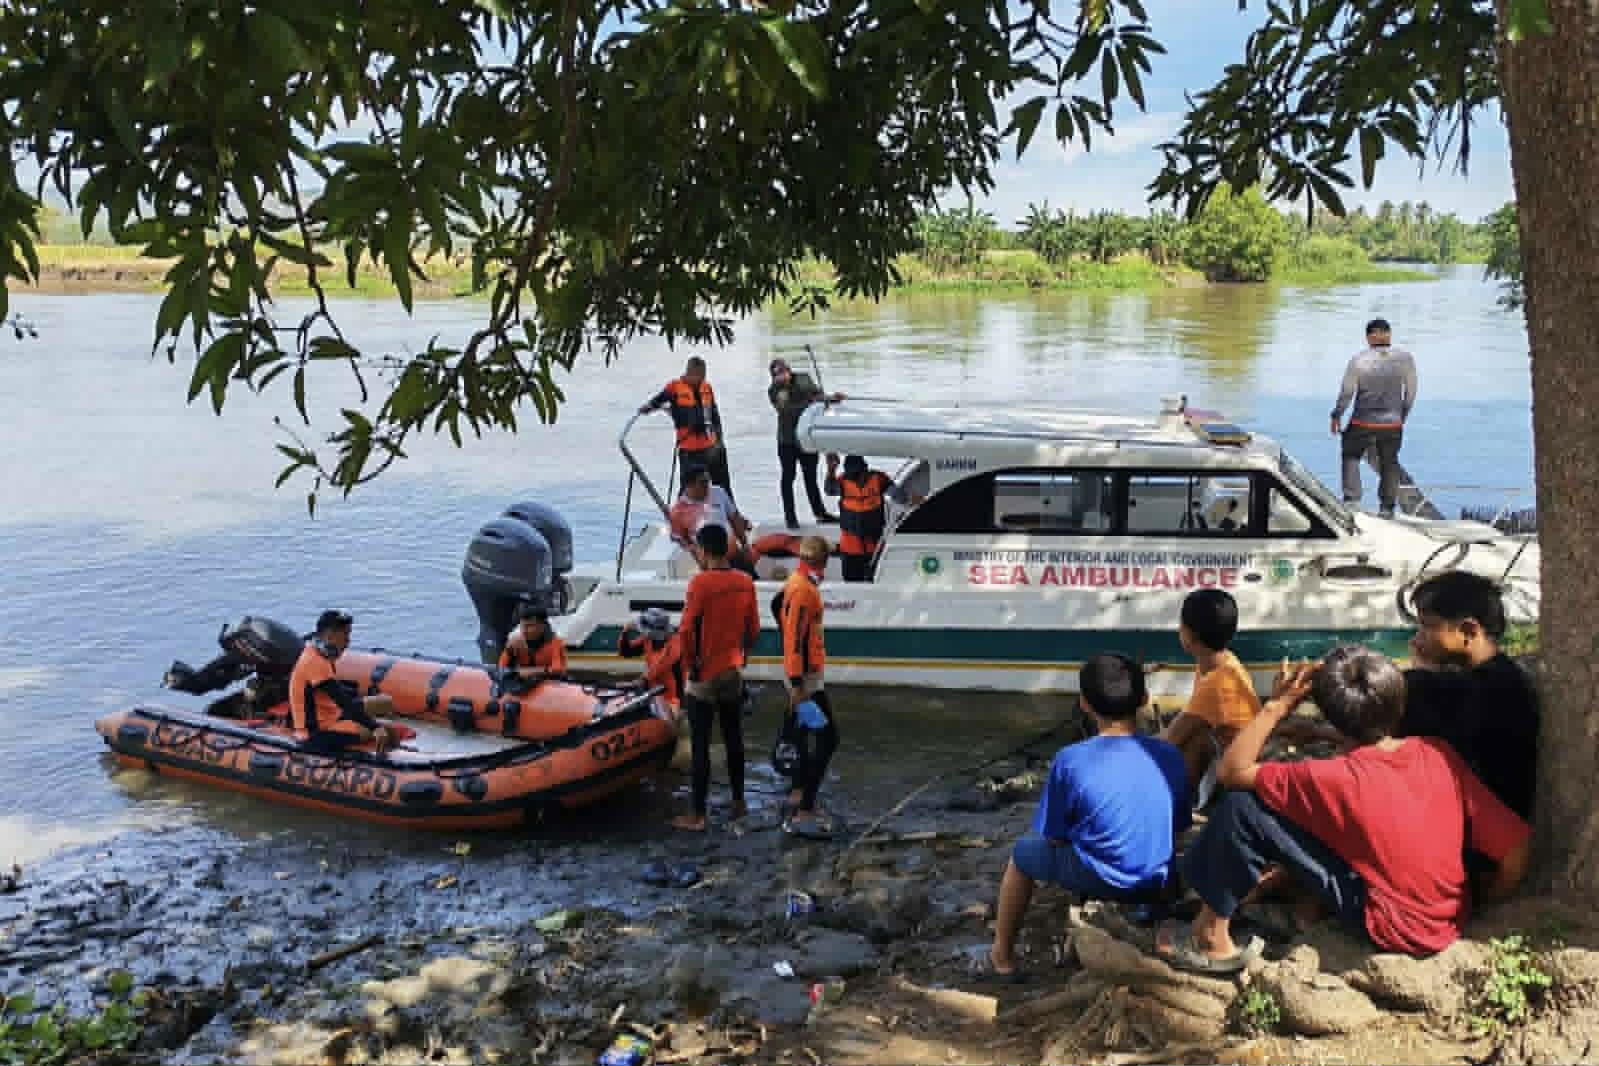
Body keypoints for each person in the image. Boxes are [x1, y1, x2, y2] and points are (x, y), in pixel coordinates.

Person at [1160, 647, 1531, 976]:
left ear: (1333, 715)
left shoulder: (1329, 777)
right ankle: (1302, 906)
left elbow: (1232, 771)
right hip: (1448, 917)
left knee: (1244, 808)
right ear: (1398, 704)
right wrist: (1484, 902)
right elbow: (1516, 851)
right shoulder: (1436, 753)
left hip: (1391, 928)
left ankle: (1210, 936)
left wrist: (1276, 705)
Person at [986, 654, 1189, 979]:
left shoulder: (1069, 759)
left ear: (1084, 704)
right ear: (1144, 700)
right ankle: (1153, 916)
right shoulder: (1170, 754)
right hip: (1157, 880)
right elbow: (1177, 827)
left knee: (1021, 856)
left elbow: (1053, 836)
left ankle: (1001, 958)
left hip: (1103, 880)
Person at [1402, 570, 1539, 820]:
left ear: (1468, 630)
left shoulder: (1480, 690)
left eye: (1428, 626)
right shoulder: (1505, 676)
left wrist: (1423, 676)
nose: (1417, 637)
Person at [673, 524, 760, 831]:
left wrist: (689, 664)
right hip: (732, 669)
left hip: (704, 672)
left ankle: (697, 814)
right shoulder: (745, 581)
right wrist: (743, 655)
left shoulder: (700, 584)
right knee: (733, 737)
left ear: (705, 550)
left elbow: (685, 630)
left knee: (700, 744)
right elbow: (754, 628)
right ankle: (739, 802)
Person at [1158, 589, 1262, 807]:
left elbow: (1170, 741)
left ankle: (1178, 815)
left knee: (1185, 746)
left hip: (1237, 766)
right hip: (1230, 752)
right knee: (1193, 736)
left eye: (1181, 624)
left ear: (1191, 636)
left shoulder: (1216, 683)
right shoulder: (1221, 661)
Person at [779, 536, 840, 836]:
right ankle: (805, 806)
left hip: (803, 675)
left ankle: (798, 790)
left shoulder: (797, 583)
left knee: (801, 736)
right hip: (806, 679)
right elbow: (794, 638)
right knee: (829, 740)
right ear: (824, 560)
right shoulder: (803, 590)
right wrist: (797, 684)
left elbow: (783, 613)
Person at [1330, 317, 1418, 518]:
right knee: (1390, 462)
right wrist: (1402, 416)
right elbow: (1411, 392)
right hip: (1392, 422)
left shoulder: (1358, 360)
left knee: (1350, 455)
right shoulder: (1405, 358)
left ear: (1369, 338)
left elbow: (1347, 392)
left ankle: (1352, 501)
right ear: (1389, 334)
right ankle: (1387, 508)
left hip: (1362, 421)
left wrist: (1336, 415)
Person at [288, 610, 396, 753]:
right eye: (345, 634)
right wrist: (374, 726)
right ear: (329, 635)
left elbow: (337, 695)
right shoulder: (314, 662)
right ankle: (393, 762)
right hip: (316, 731)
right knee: (388, 729)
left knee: (385, 702)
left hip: (332, 712)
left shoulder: (319, 650)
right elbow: (345, 704)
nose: (348, 640)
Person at [767, 358, 841, 529]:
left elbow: (817, 396)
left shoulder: (804, 379)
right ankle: (790, 517)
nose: (781, 377)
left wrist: (830, 398)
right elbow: (786, 410)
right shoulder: (774, 390)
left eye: (783, 372)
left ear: (789, 369)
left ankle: (820, 513)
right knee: (788, 477)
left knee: (810, 477)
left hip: (807, 438)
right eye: (776, 375)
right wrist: (812, 402)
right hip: (787, 441)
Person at [641, 356, 731, 494]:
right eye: (699, 375)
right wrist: (648, 407)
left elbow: (715, 417)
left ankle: (728, 514)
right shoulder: (674, 387)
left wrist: (719, 442)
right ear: (690, 373)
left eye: (704, 375)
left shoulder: (707, 387)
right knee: (689, 490)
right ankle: (682, 515)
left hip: (712, 448)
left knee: (723, 488)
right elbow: (658, 400)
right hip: (690, 451)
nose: (702, 379)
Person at [824, 453, 892, 582]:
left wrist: (913, 500)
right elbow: (829, 490)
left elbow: (899, 495)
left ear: (865, 469)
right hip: (851, 547)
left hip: (874, 546)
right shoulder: (843, 482)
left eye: (858, 474)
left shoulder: (878, 479)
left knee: (874, 581)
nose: (857, 479)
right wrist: (831, 469)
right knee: (852, 582)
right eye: (853, 475)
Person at [669, 464, 751, 565]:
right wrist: (696, 553)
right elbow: (680, 540)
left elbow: (734, 518)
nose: (707, 485)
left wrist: (745, 544)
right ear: (689, 485)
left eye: (708, 481)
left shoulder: (718, 492)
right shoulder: (678, 512)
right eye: (703, 482)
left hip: (734, 554)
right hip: (709, 562)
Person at [618, 607, 683, 708]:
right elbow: (626, 652)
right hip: (653, 693)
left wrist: (640, 681)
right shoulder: (648, 639)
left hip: (674, 698)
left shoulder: (675, 643)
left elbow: (659, 665)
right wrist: (625, 632)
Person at [499, 601, 568, 680]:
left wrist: (530, 672)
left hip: (549, 686)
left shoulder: (555, 643)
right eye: (522, 626)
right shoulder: (515, 642)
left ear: (542, 626)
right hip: (522, 687)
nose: (524, 630)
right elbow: (501, 669)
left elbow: (557, 670)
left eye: (529, 626)